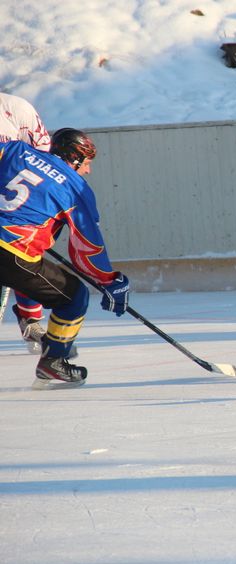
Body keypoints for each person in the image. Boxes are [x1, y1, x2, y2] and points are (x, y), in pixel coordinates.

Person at [0, 129, 131, 388]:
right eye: (88, 162)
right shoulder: (75, 187)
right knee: (74, 297)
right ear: (76, 158)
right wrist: (109, 281)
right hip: (12, 253)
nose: (88, 170)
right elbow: (88, 246)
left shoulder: (14, 149)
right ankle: (54, 362)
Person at [0, 92, 55, 354]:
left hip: (12, 202)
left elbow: (44, 164)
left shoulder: (16, 108)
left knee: (24, 251)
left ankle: (30, 318)